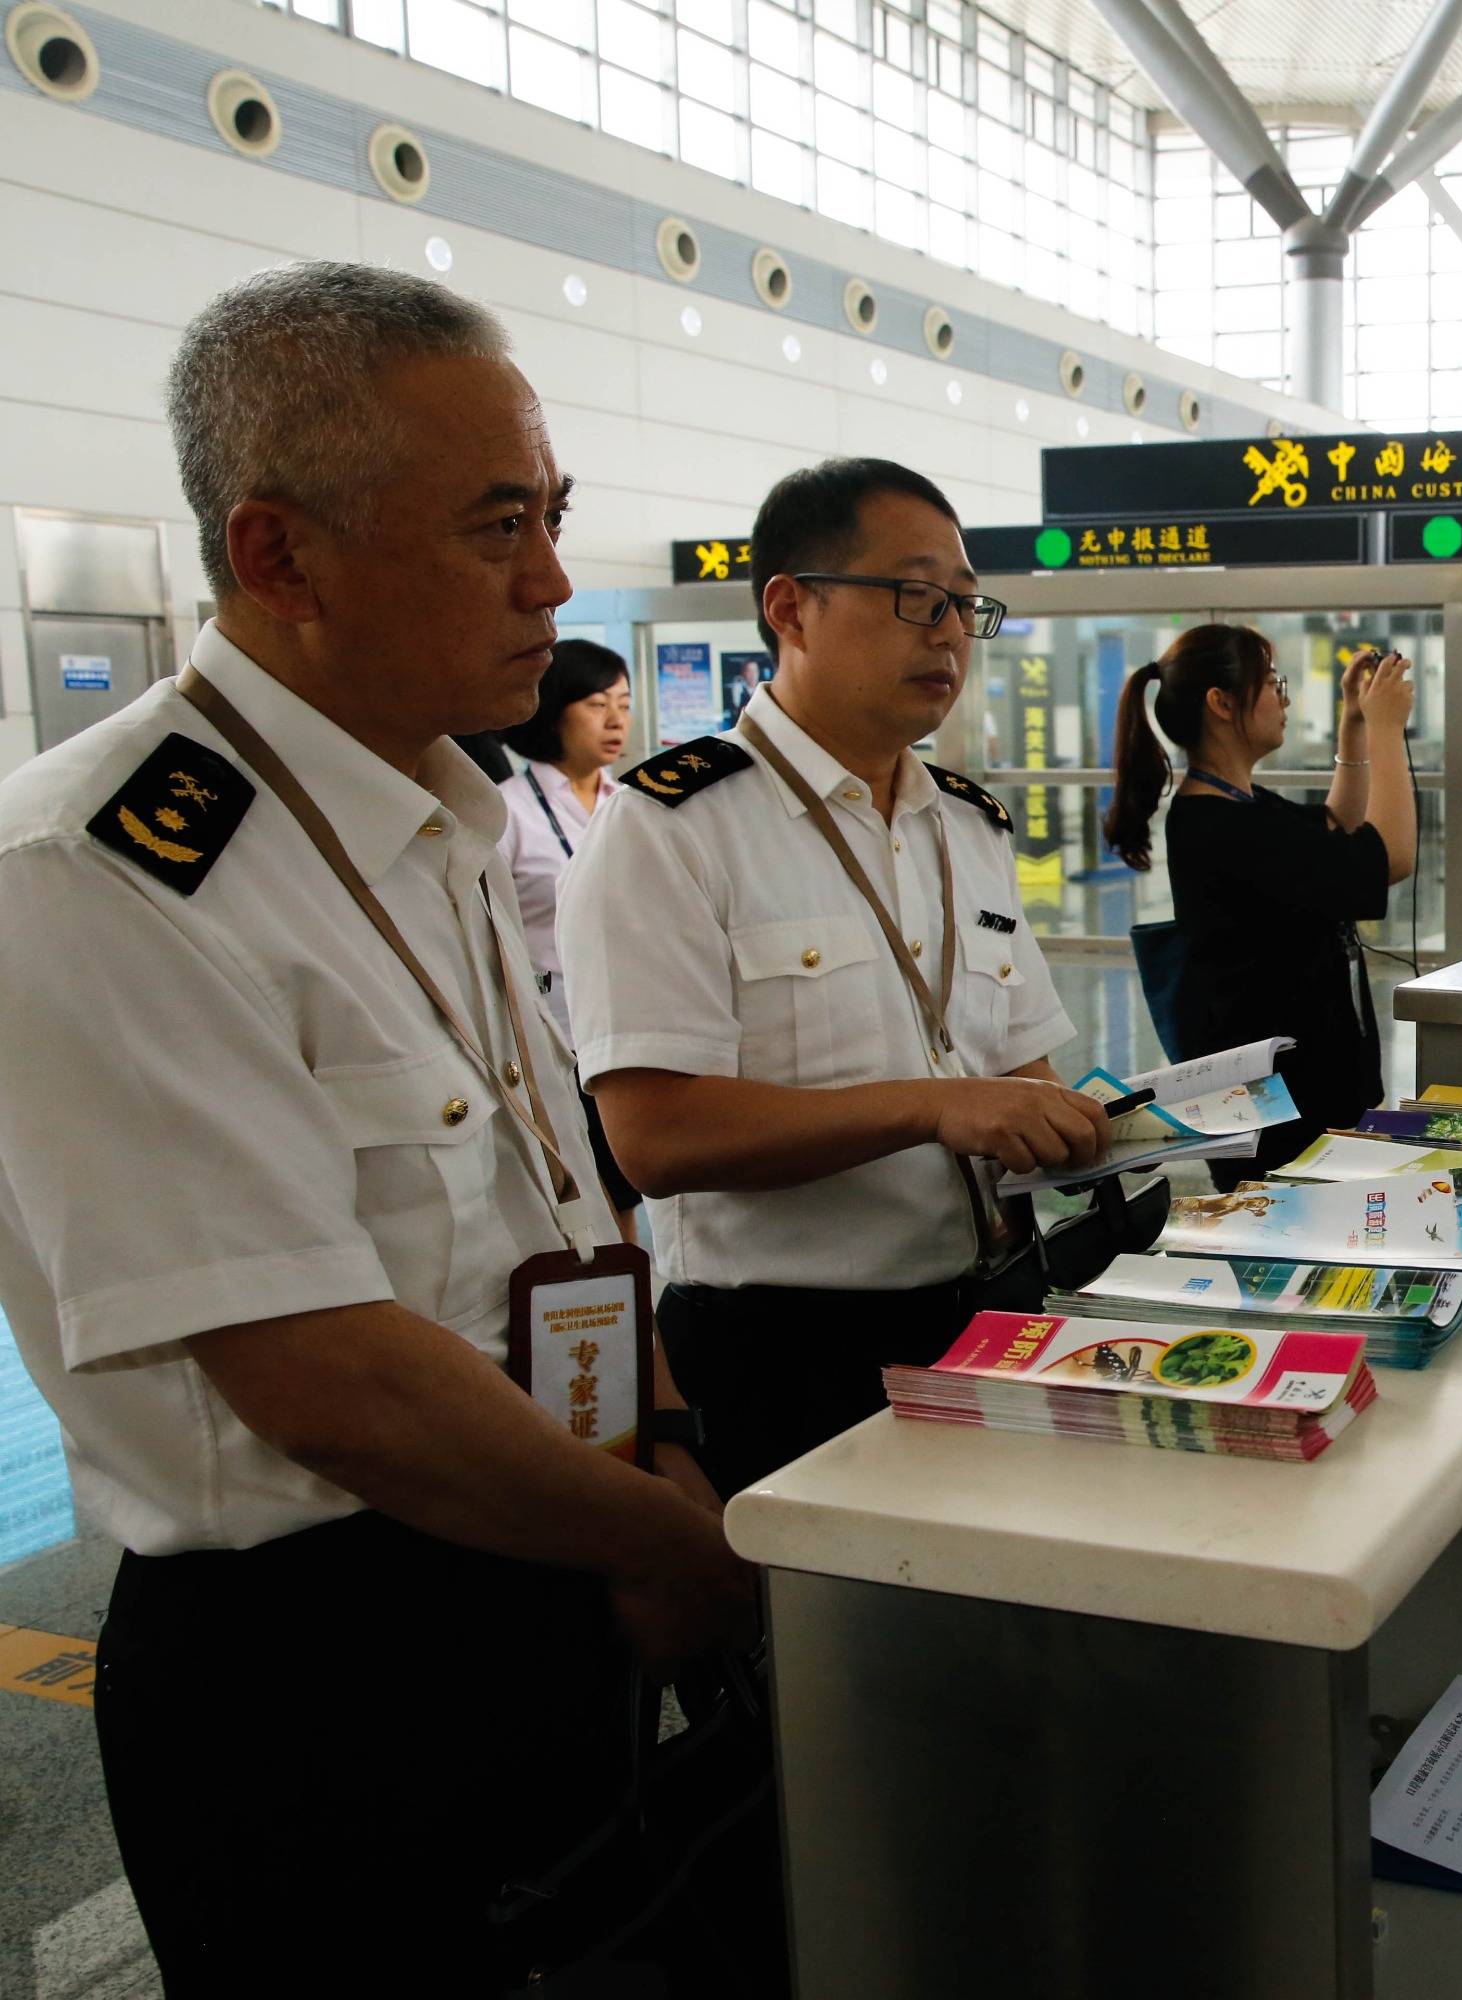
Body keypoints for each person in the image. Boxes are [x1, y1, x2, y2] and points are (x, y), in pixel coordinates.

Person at [0, 261, 751, 1991]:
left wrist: (660, 1446)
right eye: (498, 527)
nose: (552, 585)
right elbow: (324, 1372)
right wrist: (676, 1545)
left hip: (554, 1545)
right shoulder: (110, 869)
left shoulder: (443, 806)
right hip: (327, 1665)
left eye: (552, 516)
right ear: (279, 556)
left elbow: (546, 1195)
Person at [558, 457, 1106, 1497]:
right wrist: (935, 1109)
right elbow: (657, 1137)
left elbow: (1022, 1077)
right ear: (791, 607)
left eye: (962, 602)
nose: (948, 630)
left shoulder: (967, 824)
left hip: (995, 1312)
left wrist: (1112, 1125)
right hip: (789, 1351)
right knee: (825, 1654)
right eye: (914, 595)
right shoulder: (670, 827)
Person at [1104, 623, 1416, 1181]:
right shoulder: (1218, 827)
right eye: (1272, 682)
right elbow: (1390, 856)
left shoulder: (1239, 806)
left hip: (1308, 1093)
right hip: (1287, 1113)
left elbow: (1335, 826)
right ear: (1221, 703)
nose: (1284, 697)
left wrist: (1355, 725)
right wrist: (1389, 730)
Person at [497, 637, 632, 1031]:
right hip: (554, 1030)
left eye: (624, 705)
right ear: (553, 710)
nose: (616, 720)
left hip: (634, 1027)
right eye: (597, 704)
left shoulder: (634, 805)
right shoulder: (506, 812)